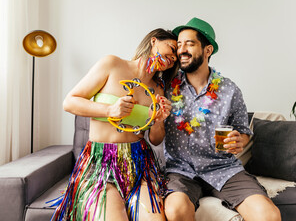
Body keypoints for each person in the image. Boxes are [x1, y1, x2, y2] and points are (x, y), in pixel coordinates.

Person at [51, 28, 178, 221]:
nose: (174, 57)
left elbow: (155, 138)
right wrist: (110, 110)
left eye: (177, 57)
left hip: (139, 163)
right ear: (154, 41)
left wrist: (158, 121)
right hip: (100, 163)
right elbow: (69, 102)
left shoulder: (158, 88)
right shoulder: (112, 64)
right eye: (171, 47)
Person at [163, 18, 281, 221]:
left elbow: (243, 131)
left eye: (190, 44)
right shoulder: (165, 87)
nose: (182, 49)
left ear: (207, 50)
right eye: (179, 44)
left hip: (223, 168)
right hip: (179, 170)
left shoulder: (229, 90)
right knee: (175, 211)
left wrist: (239, 141)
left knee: (268, 215)